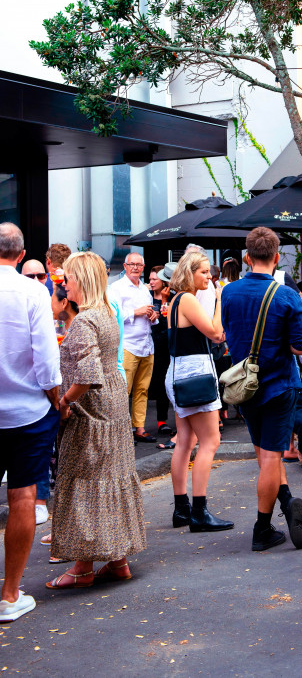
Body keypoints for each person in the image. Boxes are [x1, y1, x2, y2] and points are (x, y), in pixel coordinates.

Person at [47, 251, 146, 588]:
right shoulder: (105, 311)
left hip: (93, 409)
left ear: (83, 280)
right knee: (110, 474)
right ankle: (118, 561)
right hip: (113, 402)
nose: (64, 283)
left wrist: (63, 400)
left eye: (69, 277)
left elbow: (86, 375)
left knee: (86, 479)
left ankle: (82, 567)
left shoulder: (87, 319)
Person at [221, 227, 302, 552]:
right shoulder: (286, 295)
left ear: (247, 257)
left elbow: (228, 335)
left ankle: (287, 503)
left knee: (264, 451)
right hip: (278, 386)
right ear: (275, 257)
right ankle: (261, 529)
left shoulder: (229, 293)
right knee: (272, 455)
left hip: (243, 386)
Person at [0, 224, 61, 622]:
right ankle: (8, 595)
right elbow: (45, 357)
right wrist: (55, 399)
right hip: (26, 411)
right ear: (22, 256)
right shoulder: (33, 291)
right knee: (23, 497)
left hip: (21, 410)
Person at [165, 251, 234, 533]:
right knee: (210, 441)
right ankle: (199, 511)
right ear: (189, 273)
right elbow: (217, 334)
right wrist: (220, 299)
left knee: (185, 440)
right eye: (204, 272)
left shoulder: (176, 300)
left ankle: (182, 509)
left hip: (179, 372)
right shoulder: (188, 299)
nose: (210, 277)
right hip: (193, 374)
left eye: (210, 272)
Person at [33, 282, 80, 528]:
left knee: (65, 462)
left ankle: (65, 524)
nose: (50, 302)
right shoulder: (57, 325)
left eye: (53, 297)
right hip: (60, 400)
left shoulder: (77, 328)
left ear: (64, 303)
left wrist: (63, 401)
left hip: (68, 402)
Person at [109, 252, 157, 442]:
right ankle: (121, 430)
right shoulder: (116, 288)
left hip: (146, 343)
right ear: (125, 266)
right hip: (128, 345)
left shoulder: (145, 290)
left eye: (139, 265)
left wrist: (154, 316)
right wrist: (136, 312)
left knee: (142, 389)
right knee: (124, 390)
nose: (135, 267)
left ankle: (139, 428)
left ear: (143, 267)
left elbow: (149, 313)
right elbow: (113, 314)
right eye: (132, 264)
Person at [148, 265, 173, 438]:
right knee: (151, 384)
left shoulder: (171, 297)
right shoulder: (146, 297)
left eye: (154, 279)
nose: (151, 282)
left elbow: (169, 322)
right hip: (150, 344)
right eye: (149, 279)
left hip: (167, 345)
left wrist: (164, 301)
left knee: (165, 382)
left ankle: (162, 421)